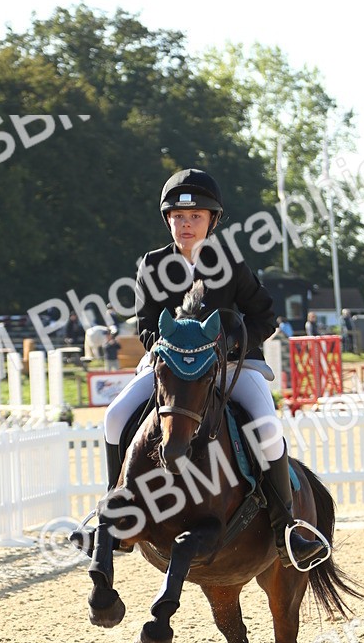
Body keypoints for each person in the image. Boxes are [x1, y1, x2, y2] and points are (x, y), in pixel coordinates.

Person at [102, 166, 325, 569]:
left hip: (229, 369)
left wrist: (229, 346)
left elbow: (265, 317)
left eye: (196, 217)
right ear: (168, 220)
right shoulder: (152, 266)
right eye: (179, 218)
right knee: (115, 416)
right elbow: (146, 326)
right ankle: (117, 512)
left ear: (212, 221)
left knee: (268, 428)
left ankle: (284, 528)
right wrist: (171, 351)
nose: (186, 225)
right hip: (170, 371)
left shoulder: (229, 262)